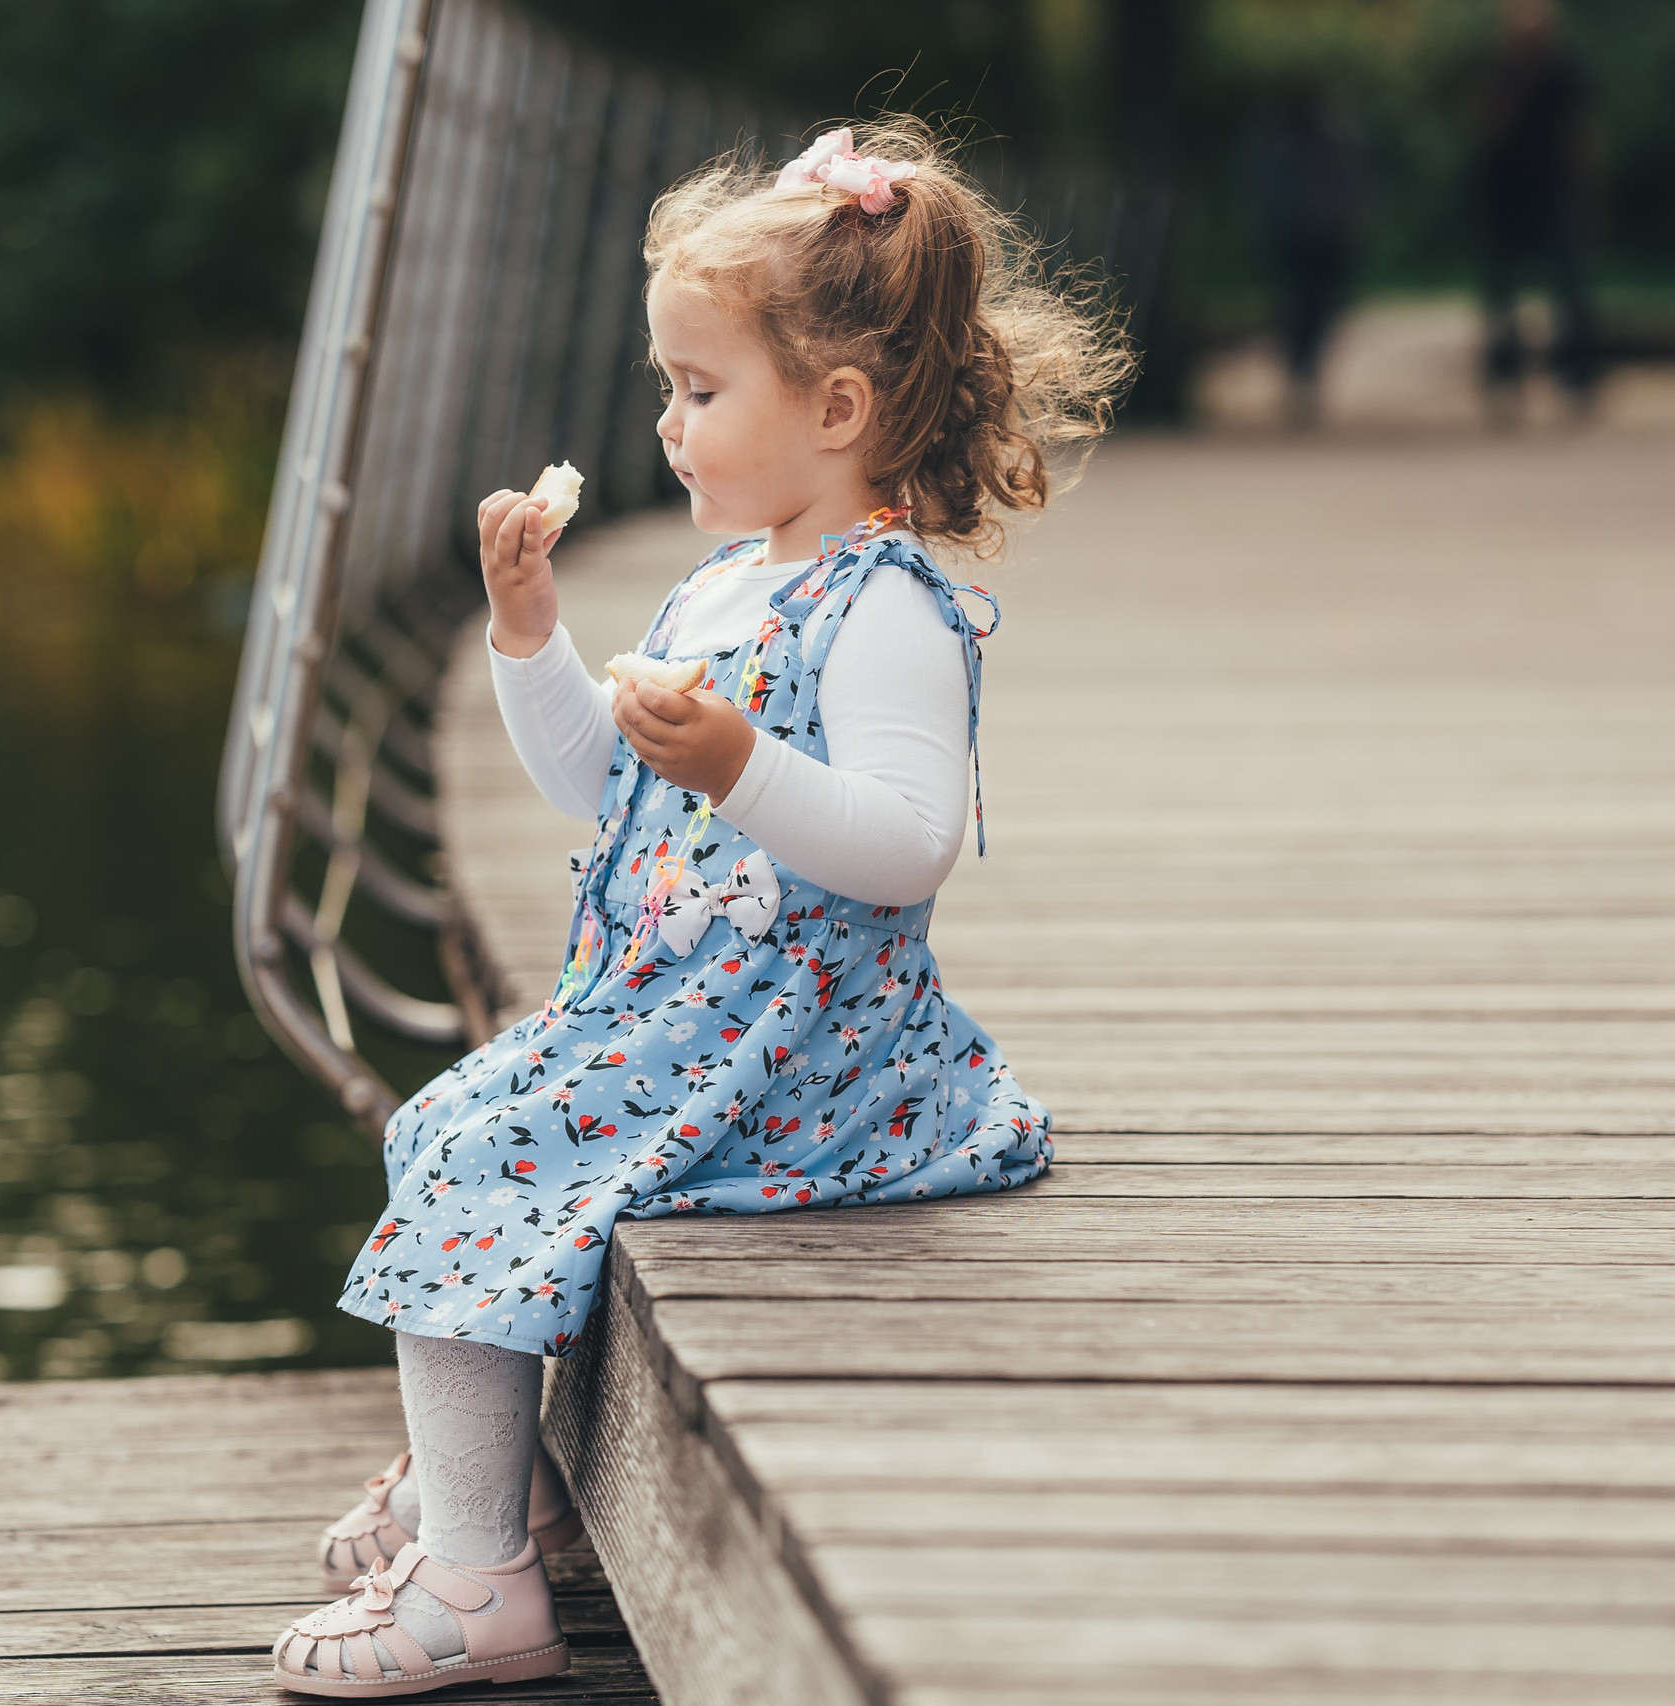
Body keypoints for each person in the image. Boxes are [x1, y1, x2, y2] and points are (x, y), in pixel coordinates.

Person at [269, 119, 1128, 1696]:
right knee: (448, 1122)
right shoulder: (717, 581)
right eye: (670, 384)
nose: (668, 421)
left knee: (473, 1145)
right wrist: (531, 635)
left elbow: (907, 842)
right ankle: (501, 1481)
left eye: (701, 388)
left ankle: (478, 1583)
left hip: (807, 1051)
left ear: (840, 408)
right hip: (687, 1018)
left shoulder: (887, 606)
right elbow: (608, 792)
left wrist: (740, 760)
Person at [1471, 0, 1601, 418]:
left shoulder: (1564, 74)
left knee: (1569, 288)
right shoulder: (1499, 71)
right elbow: (1485, 125)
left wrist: (1588, 192)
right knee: (1501, 294)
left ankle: (1578, 377)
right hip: (1505, 195)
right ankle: (1504, 375)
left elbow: (1577, 135)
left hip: (1552, 192)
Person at [1245, 73, 1365, 429]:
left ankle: (1304, 366)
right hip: (1298, 234)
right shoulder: (1283, 144)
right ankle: (1300, 366)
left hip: (1322, 234)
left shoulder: (1335, 139)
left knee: (1316, 303)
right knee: (1301, 303)